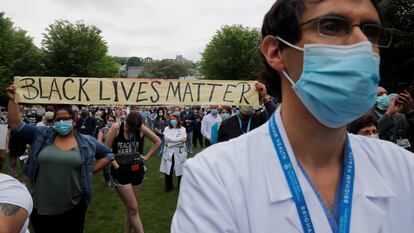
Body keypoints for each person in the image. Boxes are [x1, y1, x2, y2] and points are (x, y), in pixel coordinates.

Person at [172, 1, 414, 232]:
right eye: (331, 26)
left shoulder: (405, 169)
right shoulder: (214, 178)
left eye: (371, 32)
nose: (362, 43)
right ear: (275, 51)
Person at [6, 86, 114, 233]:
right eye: (58, 119)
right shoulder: (41, 135)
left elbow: (108, 155)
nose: (62, 122)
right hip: (41, 205)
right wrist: (12, 100)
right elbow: (16, 125)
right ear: (53, 121)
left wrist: (90, 171)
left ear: (74, 121)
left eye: (66, 119)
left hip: (74, 205)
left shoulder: (87, 141)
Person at [105, 111, 161, 233]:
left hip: (137, 171)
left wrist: (146, 157)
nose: (131, 131)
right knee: (133, 208)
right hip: (120, 173)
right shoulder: (116, 127)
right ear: (126, 123)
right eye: (129, 128)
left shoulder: (140, 128)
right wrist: (116, 166)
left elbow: (158, 141)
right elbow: (105, 151)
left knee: (131, 208)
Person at [160, 113, 187, 192]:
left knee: (181, 168)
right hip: (169, 152)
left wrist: (171, 142)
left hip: (179, 151)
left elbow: (183, 139)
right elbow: (166, 138)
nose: (172, 120)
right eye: (171, 119)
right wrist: (179, 140)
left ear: (178, 120)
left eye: (174, 119)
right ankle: (169, 187)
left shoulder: (183, 129)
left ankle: (181, 186)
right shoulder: (166, 129)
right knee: (168, 169)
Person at [97, 114, 116, 187]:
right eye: (109, 120)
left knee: (116, 167)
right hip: (105, 151)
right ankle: (107, 180)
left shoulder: (117, 130)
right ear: (106, 120)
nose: (110, 122)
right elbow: (99, 142)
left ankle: (115, 179)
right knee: (105, 168)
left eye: (112, 120)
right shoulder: (102, 130)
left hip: (115, 151)